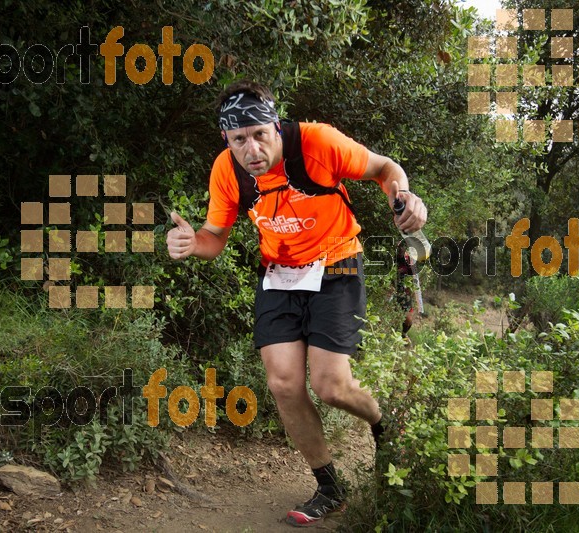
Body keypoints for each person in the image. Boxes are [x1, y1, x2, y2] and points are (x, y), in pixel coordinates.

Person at [166, 80, 427, 527]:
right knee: (284, 384)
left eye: (259, 134)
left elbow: (385, 169)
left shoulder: (317, 142)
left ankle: (384, 424)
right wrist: (192, 243)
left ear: (276, 125)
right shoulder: (228, 171)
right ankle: (329, 487)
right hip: (280, 274)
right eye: (238, 139)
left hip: (337, 263)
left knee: (331, 386)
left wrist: (403, 197)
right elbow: (215, 239)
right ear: (226, 140)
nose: (251, 149)